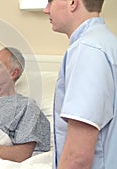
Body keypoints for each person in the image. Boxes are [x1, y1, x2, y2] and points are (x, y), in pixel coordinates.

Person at [44, 0, 117, 168]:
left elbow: (77, 157)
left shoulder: (88, 50)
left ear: (72, 2)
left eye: (50, 1)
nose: (46, 10)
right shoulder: (108, 42)